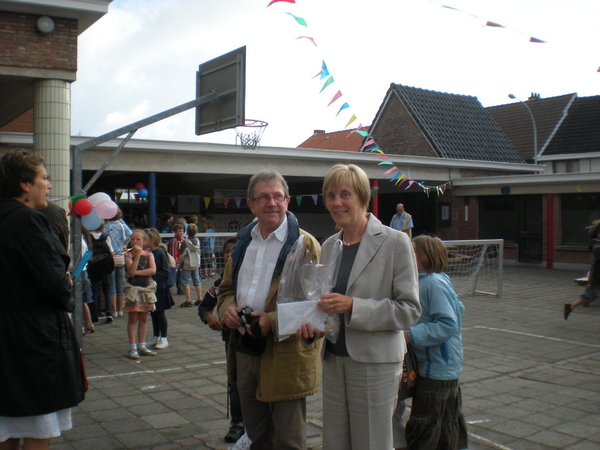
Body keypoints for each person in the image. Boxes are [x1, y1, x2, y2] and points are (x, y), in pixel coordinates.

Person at [296, 163, 421, 450]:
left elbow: (409, 310)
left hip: (375, 362)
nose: (336, 202)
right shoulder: (329, 245)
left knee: (371, 444)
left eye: (344, 194)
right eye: (330, 195)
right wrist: (312, 325)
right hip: (333, 358)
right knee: (335, 443)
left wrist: (354, 306)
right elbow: (325, 303)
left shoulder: (395, 242)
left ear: (363, 197)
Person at [217, 170, 322, 450]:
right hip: (244, 349)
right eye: (263, 197)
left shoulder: (305, 244)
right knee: (256, 436)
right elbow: (225, 290)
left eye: (277, 196)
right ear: (251, 204)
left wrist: (272, 321)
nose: (271, 203)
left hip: (286, 352)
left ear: (288, 201)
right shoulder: (243, 243)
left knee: (288, 440)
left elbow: (317, 306)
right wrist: (227, 310)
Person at [0, 149, 86, 449]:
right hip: (31, 340)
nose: (49, 185)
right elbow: (54, 285)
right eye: (44, 178)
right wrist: (66, 282)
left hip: (7, 336)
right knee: (38, 427)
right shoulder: (27, 220)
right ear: (25, 184)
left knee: (7, 425)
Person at [397, 235, 467, 450]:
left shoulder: (434, 282)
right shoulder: (425, 280)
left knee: (426, 423)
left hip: (438, 365)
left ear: (427, 256)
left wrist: (409, 335)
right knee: (447, 419)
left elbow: (447, 324)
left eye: (413, 251)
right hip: (438, 364)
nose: (408, 254)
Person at [198, 237, 245, 444]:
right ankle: (237, 423)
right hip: (231, 340)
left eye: (234, 251)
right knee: (234, 381)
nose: (229, 255)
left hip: (256, 338)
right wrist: (209, 317)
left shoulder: (251, 278)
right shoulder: (219, 284)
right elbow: (204, 306)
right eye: (226, 252)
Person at [124, 229, 157, 359]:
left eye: (138, 239)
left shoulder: (149, 254)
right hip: (133, 289)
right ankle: (132, 347)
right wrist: (137, 255)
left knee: (144, 318)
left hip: (146, 289)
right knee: (133, 318)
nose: (135, 241)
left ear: (144, 241)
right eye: (133, 239)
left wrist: (136, 273)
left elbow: (152, 270)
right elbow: (130, 270)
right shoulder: (128, 254)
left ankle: (142, 344)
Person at [146, 228, 175, 350]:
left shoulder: (160, 253)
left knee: (160, 313)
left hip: (160, 287)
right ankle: (156, 335)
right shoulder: (148, 252)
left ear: (152, 240)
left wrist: (152, 277)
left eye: (145, 239)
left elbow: (165, 271)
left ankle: (164, 338)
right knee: (153, 312)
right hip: (152, 288)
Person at [564, 220, 600, 320]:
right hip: (598, 279)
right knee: (588, 296)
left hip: (595, 278)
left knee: (587, 297)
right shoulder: (597, 247)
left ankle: (570, 307)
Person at [104, 209, 132, 318]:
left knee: (112, 284)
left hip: (111, 257)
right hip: (121, 255)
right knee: (120, 283)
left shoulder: (106, 227)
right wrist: (123, 245)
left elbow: (103, 237)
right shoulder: (122, 226)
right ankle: (121, 309)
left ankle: (113, 310)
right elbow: (130, 235)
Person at [88, 222, 115, 323]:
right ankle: (109, 313)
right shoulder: (105, 236)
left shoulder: (88, 236)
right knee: (107, 289)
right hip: (105, 268)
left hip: (93, 267)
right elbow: (111, 252)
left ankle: (95, 315)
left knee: (95, 290)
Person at [179, 223, 202, 308]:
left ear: (187, 231)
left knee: (185, 281)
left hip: (187, 264)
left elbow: (182, 255)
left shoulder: (185, 242)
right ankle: (200, 298)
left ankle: (188, 300)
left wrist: (180, 263)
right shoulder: (198, 241)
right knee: (197, 281)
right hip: (196, 264)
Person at [168, 223, 185, 295]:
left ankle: (180, 288)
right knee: (173, 276)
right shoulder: (173, 242)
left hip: (181, 261)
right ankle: (168, 288)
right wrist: (174, 262)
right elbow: (172, 253)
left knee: (180, 276)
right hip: (175, 262)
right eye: (179, 231)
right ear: (175, 232)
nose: (181, 233)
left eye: (182, 231)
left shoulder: (183, 240)